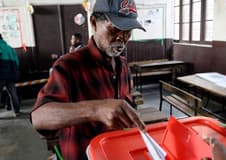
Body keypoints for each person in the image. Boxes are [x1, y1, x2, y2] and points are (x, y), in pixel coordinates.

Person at [31, 0, 146, 159]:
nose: (122, 37)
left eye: (128, 31)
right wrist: (95, 110)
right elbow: (39, 117)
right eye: (114, 28)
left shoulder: (123, 65)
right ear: (94, 23)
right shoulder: (69, 66)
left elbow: (126, 104)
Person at [0, 32, 20, 120]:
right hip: (11, 74)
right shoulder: (10, 48)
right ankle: (16, 111)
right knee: (13, 93)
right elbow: (17, 62)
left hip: (0, 75)